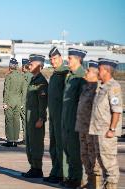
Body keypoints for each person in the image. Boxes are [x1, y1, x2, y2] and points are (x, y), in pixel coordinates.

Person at [89, 58, 123, 189]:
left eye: (100, 68)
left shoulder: (113, 87)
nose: (98, 71)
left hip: (107, 133)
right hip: (98, 131)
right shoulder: (102, 86)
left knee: (109, 163)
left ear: (107, 70)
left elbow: (117, 110)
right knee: (102, 161)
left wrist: (112, 129)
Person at [61, 48, 87, 188]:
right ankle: (71, 176)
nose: (67, 60)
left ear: (78, 59)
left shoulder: (81, 76)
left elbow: (83, 102)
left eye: (70, 58)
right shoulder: (70, 76)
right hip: (66, 119)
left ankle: (77, 178)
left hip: (75, 120)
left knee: (75, 150)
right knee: (68, 149)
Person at [44, 47, 69, 184]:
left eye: (54, 59)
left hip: (61, 117)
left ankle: (61, 173)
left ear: (60, 58)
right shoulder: (55, 74)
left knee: (60, 146)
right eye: (51, 59)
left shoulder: (65, 73)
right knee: (53, 146)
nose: (52, 61)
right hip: (53, 117)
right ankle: (55, 171)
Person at [75, 60, 101, 188]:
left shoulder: (98, 89)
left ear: (96, 73)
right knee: (84, 156)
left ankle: (96, 184)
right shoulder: (86, 87)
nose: (86, 72)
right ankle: (90, 181)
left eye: (89, 71)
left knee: (94, 158)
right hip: (83, 128)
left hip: (92, 130)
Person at [22, 54, 48, 178]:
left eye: (32, 64)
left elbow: (43, 103)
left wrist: (41, 118)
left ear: (40, 66)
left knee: (36, 144)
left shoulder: (41, 82)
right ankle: (33, 167)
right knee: (30, 144)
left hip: (36, 119)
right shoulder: (33, 80)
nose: (29, 66)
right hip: (30, 119)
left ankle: (37, 169)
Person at [2, 58, 25, 147]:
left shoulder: (9, 76)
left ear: (10, 66)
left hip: (10, 101)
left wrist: (5, 102)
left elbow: (6, 90)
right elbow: (23, 90)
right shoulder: (21, 76)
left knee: (9, 121)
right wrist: (22, 102)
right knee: (16, 121)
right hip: (18, 102)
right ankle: (15, 140)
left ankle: (10, 140)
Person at [19, 58, 32, 144]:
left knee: (24, 121)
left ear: (24, 66)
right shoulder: (32, 75)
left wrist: (21, 103)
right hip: (31, 101)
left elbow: (23, 90)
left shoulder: (25, 76)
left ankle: (26, 139)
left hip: (24, 101)